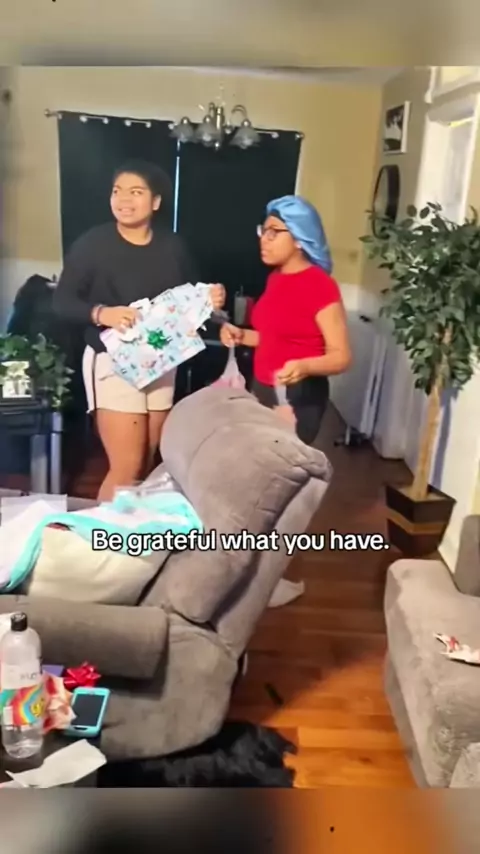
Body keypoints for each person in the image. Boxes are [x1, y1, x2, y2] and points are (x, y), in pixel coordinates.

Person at [53, 159, 225, 500]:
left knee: (147, 460)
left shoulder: (173, 247)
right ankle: (102, 532)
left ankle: (130, 528)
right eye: (117, 191)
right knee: (126, 466)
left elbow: (190, 298)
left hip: (162, 361)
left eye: (135, 192)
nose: (123, 200)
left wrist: (213, 300)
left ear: (156, 201)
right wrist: (103, 313)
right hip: (113, 360)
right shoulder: (93, 244)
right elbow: (61, 302)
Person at [220, 195, 351, 445]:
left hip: (298, 397)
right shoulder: (276, 278)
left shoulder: (321, 286)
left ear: (300, 239)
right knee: (257, 460)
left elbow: (341, 356)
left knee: (280, 464)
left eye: (274, 232)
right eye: (263, 231)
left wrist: (304, 367)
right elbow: (274, 337)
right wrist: (241, 335)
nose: (264, 239)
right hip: (263, 387)